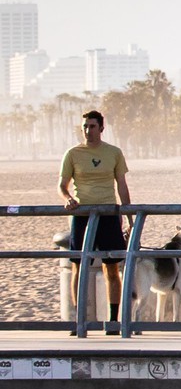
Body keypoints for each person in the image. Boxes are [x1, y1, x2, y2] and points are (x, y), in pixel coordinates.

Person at [60, 109, 130, 331]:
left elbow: (122, 185)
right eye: (84, 127)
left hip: (109, 214)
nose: (87, 131)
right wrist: (68, 198)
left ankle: (113, 320)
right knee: (78, 268)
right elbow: (62, 185)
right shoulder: (72, 153)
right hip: (82, 216)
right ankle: (79, 320)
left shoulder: (114, 153)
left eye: (91, 126)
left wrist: (129, 217)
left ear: (101, 128)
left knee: (112, 268)